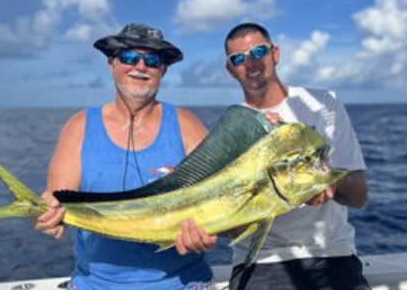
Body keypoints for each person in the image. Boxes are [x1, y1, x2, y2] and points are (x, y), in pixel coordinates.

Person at [34, 23, 217, 290]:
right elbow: (55, 199)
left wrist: (210, 234)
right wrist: (42, 214)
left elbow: (216, 202)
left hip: (183, 283)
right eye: (129, 58)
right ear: (112, 64)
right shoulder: (79, 126)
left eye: (152, 60)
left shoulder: (188, 126)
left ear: (163, 70)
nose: (140, 67)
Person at [223, 22, 370, 290]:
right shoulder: (232, 130)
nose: (250, 62)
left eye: (258, 51)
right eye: (238, 59)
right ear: (230, 69)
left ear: (275, 54)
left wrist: (331, 184)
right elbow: (232, 228)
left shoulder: (324, 103)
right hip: (259, 261)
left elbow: (359, 195)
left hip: (331, 255)